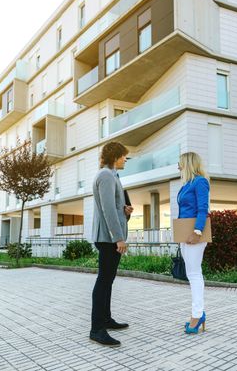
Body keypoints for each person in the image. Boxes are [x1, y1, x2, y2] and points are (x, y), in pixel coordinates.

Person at [90, 142, 134, 347]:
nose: (126, 159)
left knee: (107, 281)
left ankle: (106, 319)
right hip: (108, 238)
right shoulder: (106, 175)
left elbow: (114, 207)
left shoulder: (112, 175)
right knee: (103, 281)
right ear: (115, 156)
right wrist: (119, 238)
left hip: (109, 237)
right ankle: (97, 329)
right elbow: (107, 209)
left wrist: (124, 210)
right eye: (124, 156)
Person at [177, 152, 210, 334]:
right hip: (185, 234)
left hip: (195, 234)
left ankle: (197, 315)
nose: (178, 166)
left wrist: (197, 231)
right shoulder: (186, 184)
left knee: (195, 274)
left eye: (180, 163)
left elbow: (202, 208)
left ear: (188, 163)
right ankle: (198, 313)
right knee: (192, 274)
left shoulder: (200, 182)